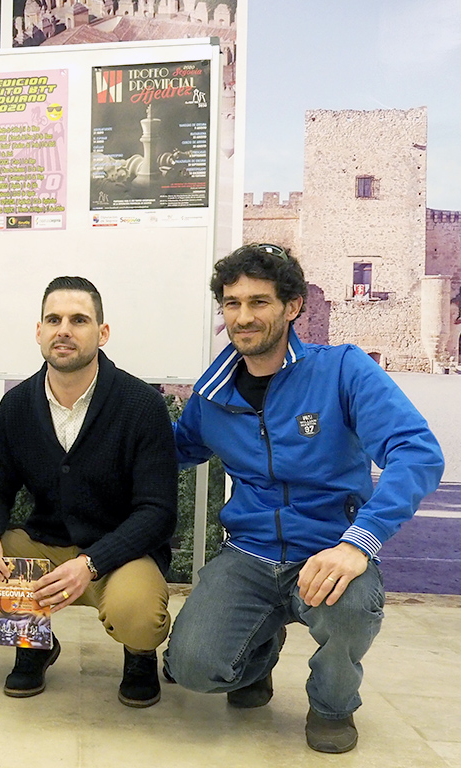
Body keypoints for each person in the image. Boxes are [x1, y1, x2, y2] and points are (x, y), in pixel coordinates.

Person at [164, 243, 444, 752]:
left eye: (259, 302)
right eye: (231, 303)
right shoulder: (211, 395)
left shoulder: (343, 370)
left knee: (351, 610)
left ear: (293, 306)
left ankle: (333, 705)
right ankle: (258, 657)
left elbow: (417, 451)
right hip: (249, 552)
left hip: (330, 549)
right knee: (192, 669)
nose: (242, 317)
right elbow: (168, 455)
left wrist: (359, 544)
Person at [0, 276, 178, 707]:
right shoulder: (17, 405)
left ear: (102, 334)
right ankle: (34, 643)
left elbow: (157, 512)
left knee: (139, 617)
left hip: (119, 556)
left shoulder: (142, 405)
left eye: (79, 319)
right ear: (39, 332)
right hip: (44, 549)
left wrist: (91, 563)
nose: (64, 329)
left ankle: (139, 656)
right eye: (54, 319)